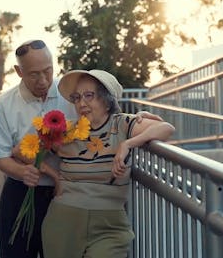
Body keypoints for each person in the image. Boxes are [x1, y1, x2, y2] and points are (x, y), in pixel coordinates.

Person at [40, 69, 175, 258]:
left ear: (106, 99)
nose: (82, 103)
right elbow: (23, 152)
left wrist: (127, 144)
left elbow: (166, 128)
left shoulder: (122, 124)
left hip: (110, 226)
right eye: (77, 97)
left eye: (89, 95)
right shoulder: (66, 130)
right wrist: (53, 175)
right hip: (64, 220)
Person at [0, 39, 77, 258]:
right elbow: (1, 157)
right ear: (19, 71)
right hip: (21, 195)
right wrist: (21, 171)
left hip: (64, 196)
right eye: (34, 74)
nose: (43, 80)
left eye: (48, 71)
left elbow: (103, 116)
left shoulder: (72, 96)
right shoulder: (3, 105)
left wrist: (136, 119)